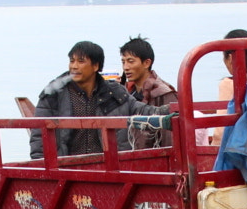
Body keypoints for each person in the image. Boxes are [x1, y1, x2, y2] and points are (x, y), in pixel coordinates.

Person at [29, 41, 168, 157]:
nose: (74, 66)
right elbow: (38, 138)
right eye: (72, 61)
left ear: (96, 66)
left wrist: (169, 111)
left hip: (107, 168)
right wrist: (42, 171)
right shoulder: (53, 94)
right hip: (68, 169)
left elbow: (141, 110)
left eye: (81, 61)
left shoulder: (114, 92)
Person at [120, 37, 177, 150]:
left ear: (146, 63)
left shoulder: (164, 93)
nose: (126, 67)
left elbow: (170, 138)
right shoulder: (126, 92)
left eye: (131, 61)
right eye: (123, 62)